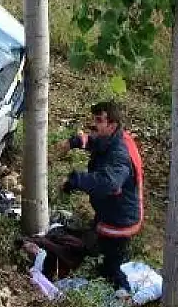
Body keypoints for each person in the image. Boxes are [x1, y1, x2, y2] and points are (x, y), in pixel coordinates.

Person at [56, 101, 144, 292]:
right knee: (99, 246)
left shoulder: (120, 154)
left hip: (119, 220)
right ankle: (104, 263)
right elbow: (95, 142)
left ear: (112, 125)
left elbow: (108, 183)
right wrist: (74, 142)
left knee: (112, 266)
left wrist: (74, 181)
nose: (93, 124)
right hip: (109, 210)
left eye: (98, 120)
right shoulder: (112, 138)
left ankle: (123, 295)